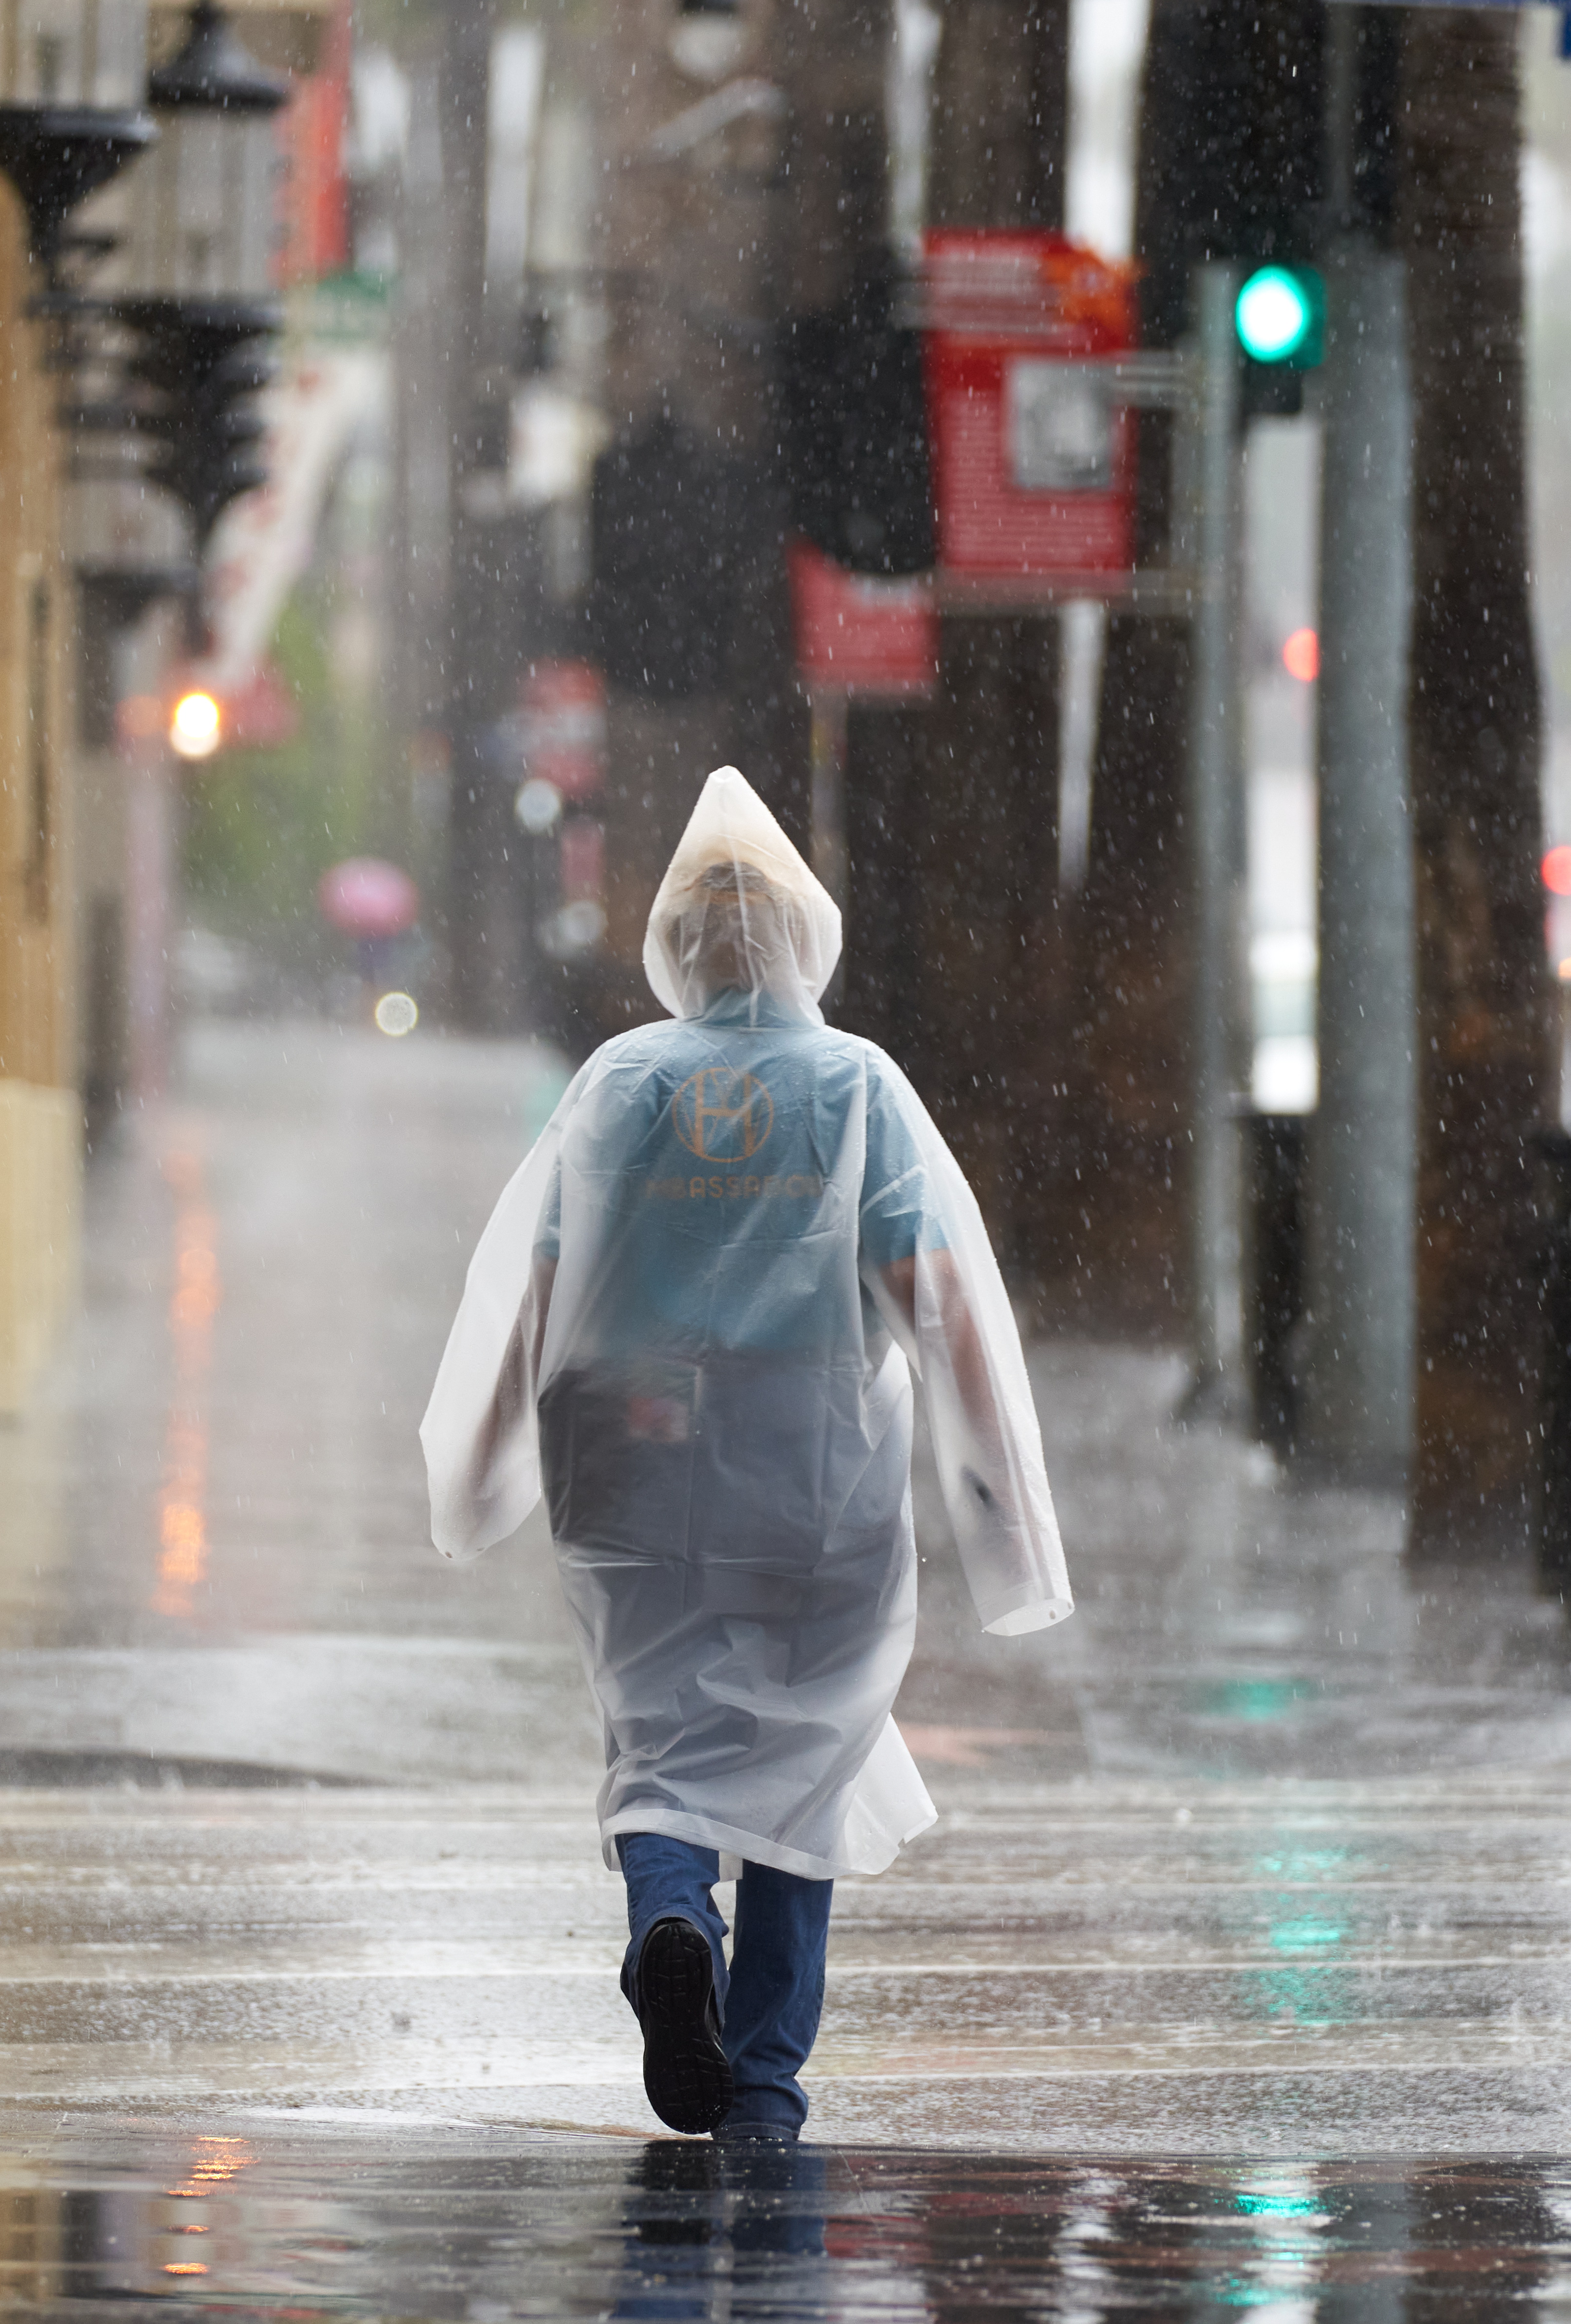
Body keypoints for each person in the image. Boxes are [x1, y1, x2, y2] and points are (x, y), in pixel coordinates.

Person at [419, 767, 1073, 2143]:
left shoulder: (617, 1086)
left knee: (657, 1737)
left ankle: (672, 1920)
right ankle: (763, 2078)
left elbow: (536, 1294)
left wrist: (484, 1465)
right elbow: (940, 1305)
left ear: (674, 945)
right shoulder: (855, 1089)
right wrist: (1004, 1513)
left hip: (630, 1463)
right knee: (810, 1747)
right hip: (807, 1470)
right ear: (805, 937)